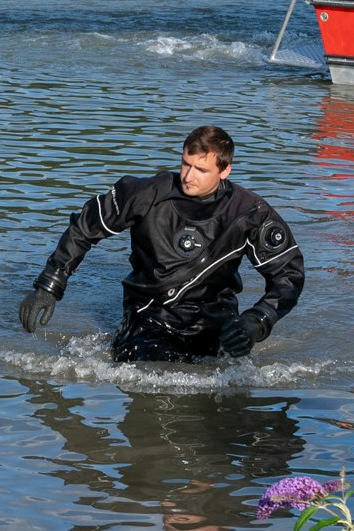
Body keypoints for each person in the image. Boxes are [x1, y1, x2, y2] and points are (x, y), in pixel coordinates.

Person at [17, 126, 304, 363]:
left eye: (201, 170)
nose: (188, 177)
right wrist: (50, 285)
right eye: (185, 164)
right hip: (149, 316)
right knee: (152, 380)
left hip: (217, 322)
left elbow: (288, 274)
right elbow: (84, 228)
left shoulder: (249, 212)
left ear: (225, 170)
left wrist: (256, 321)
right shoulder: (146, 193)